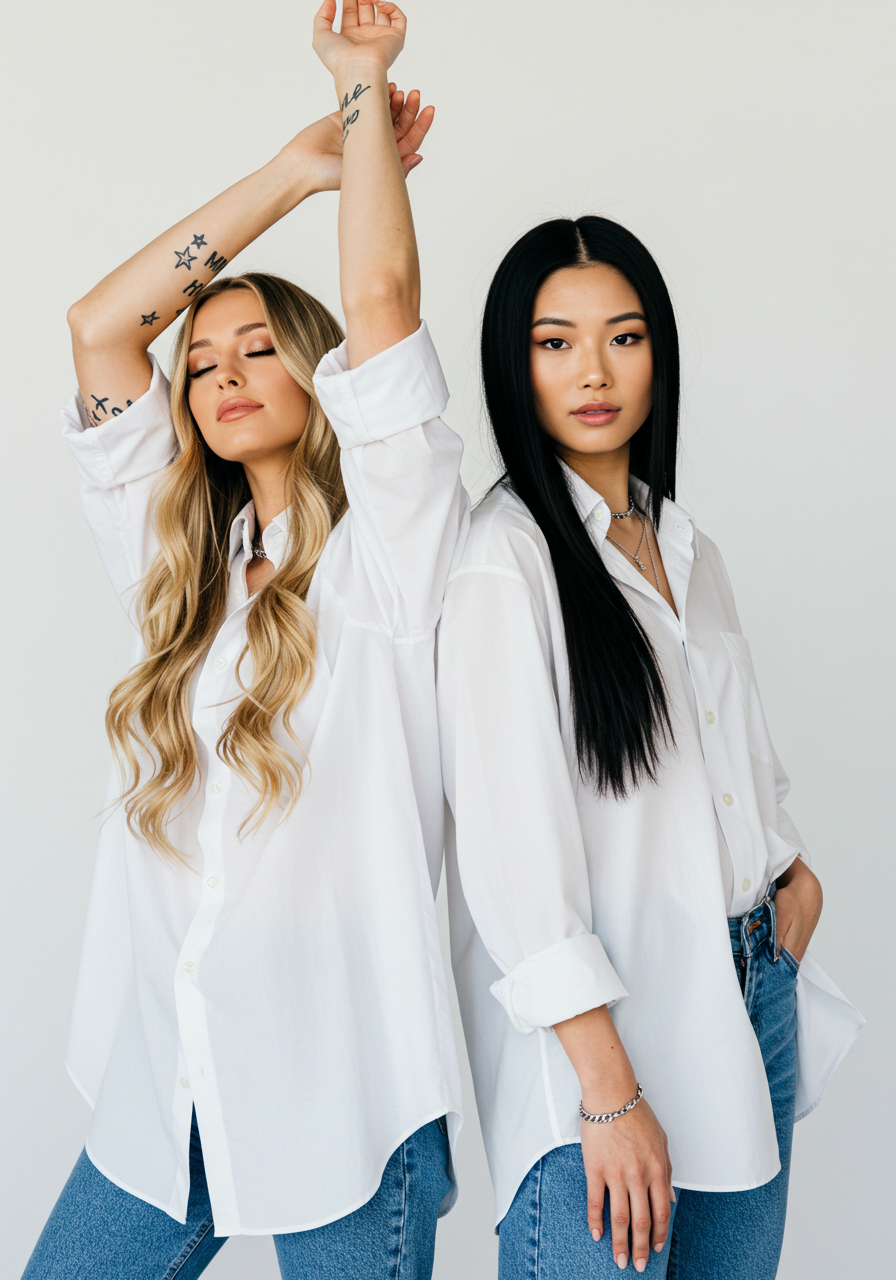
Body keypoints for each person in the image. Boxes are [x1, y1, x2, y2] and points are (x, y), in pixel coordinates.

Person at [24, 4, 468, 1277]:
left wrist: (358, 93)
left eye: (257, 343)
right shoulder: (183, 573)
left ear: (320, 373)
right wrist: (288, 174)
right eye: (202, 357)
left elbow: (380, 294)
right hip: (173, 1080)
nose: (216, 370)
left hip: (347, 1092)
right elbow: (102, 327)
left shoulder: (394, 550)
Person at [436, 215, 863, 1279]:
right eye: (553, 341)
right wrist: (607, 1086)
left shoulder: (685, 544)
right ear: (512, 362)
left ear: (658, 355)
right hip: (601, 1043)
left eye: (622, 337)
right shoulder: (507, 559)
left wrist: (794, 883)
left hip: (747, 992)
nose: (593, 370)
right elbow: (509, 858)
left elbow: (737, 762)